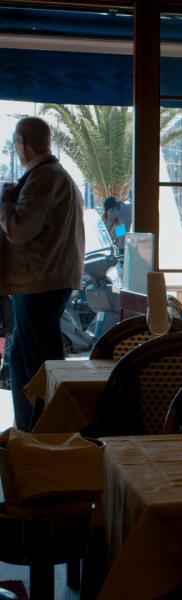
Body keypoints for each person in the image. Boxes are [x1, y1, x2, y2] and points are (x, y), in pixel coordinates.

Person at [0, 117, 85, 430]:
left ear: (22, 144)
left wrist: (4, 201)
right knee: (30, 357)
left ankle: (36, 434)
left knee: (33, 365)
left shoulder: (42, 178)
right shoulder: (57, 175)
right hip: (48, 280)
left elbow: (19, 229)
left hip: (38, 281)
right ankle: (34, 430)